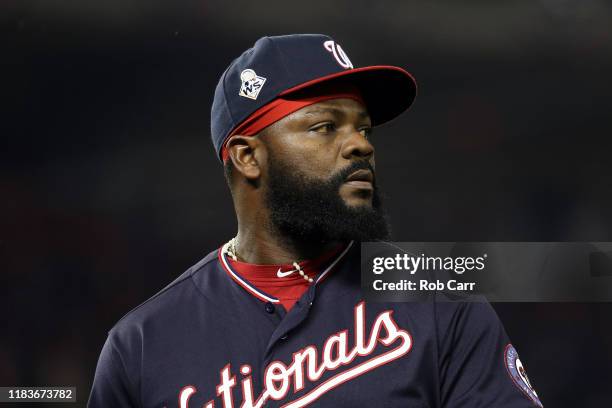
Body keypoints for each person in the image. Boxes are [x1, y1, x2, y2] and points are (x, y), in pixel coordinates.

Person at [88, 34, 543, 408]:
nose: (361, 146)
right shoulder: (143, 346)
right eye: (326, 127)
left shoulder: (439, 301)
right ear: (248, 157)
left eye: (362, 128)